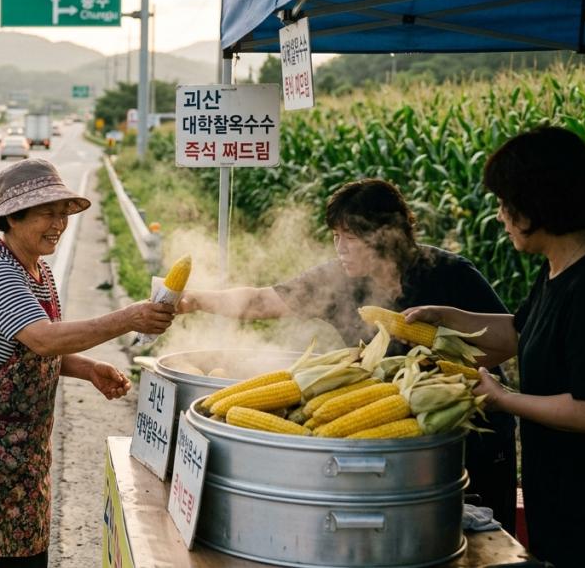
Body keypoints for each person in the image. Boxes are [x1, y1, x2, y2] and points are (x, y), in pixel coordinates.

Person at [176, 178, 518, 532]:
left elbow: (507, 342)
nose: (340, 248)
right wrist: (195, 300)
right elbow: (263, 301)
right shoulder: (337, 279)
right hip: (397, 440)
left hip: (472, 436)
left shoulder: (451, 275)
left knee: (489, 540)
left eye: (350, 238)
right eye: (335, 236)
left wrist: (438, 367)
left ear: (389, 234)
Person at [0, 158, 174, 568]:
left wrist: (87, 369)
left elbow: (29, 350)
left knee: (22, 553)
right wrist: (129, 318)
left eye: (63, 213)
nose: (59, 224)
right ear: (13, 217)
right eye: (47, 213)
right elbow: (43, 340)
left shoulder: (39, 270)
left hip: (21, 449)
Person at [404, 126, 585, 566]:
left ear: (538, 203)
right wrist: (449, 317)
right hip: (555, 492)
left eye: (506, 204)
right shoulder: (557, 269)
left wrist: (505, 399)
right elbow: (521, 333)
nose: (500, 217)